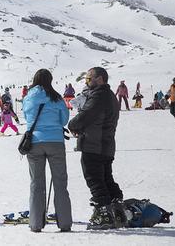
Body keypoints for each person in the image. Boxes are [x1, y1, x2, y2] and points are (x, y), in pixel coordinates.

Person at [68, 67, 125, 230]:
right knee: (106, 178)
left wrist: (73, 124)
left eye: (89, 78)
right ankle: (117, 210)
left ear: (99, 79)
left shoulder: (99, 95)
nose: (87, 81)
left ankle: (104, 214)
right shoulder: (110, 96)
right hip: (106, 145)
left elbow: (86, 115)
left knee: (94, 179)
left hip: (95, 145)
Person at [22, 69, 72, 232]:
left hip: (34, 142)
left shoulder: (28, 96)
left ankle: (35, 223)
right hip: (56, 141)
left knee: (36, 183)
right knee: (60, 182)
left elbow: (27, 117)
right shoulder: (56, 97)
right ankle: (64, 223)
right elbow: (64, 120)